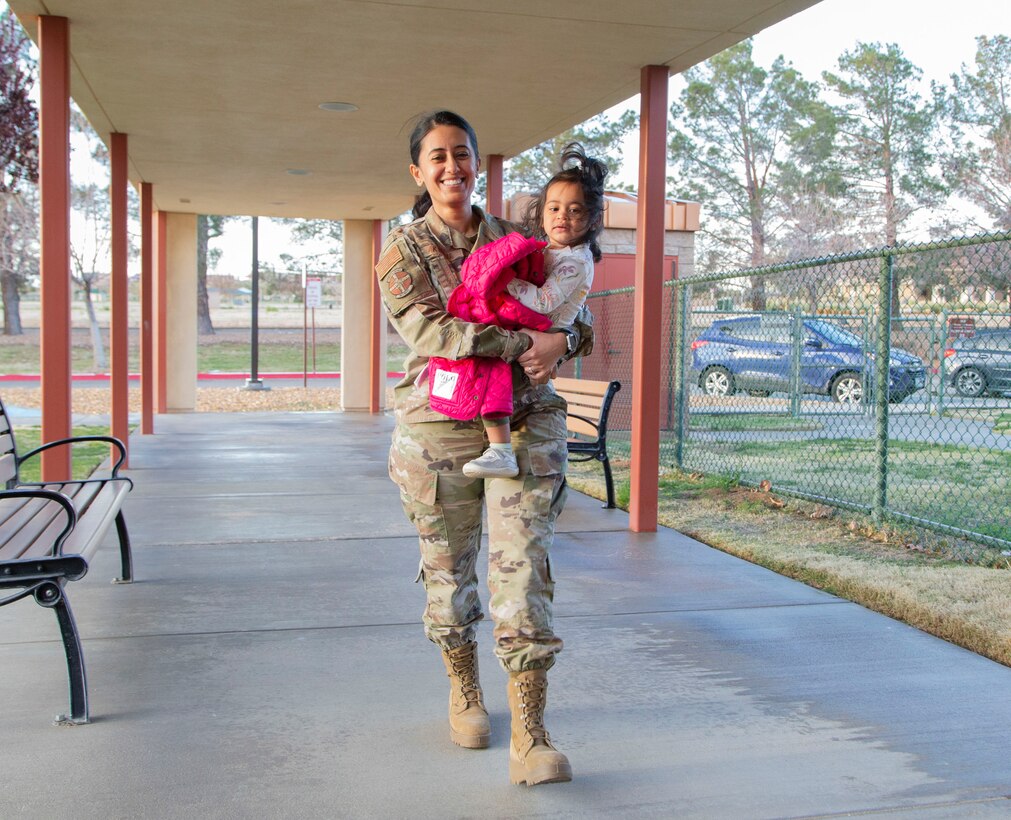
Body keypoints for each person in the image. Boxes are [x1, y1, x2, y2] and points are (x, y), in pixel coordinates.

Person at [376, 110, 592, 787]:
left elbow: (569, 310)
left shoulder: (519, 238)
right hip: (437, 432)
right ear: (418, 171)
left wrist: (566, 341)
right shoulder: (402, 251)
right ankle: (464, 688)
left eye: (461, 154)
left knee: (522, 570)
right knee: (448, 574)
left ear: (476, 164)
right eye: (436, 157)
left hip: (525, 421)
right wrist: (525, 344)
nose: (451, 167)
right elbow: (430, 332)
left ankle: (530, 731)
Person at [459, 144, 607, 479]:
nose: (562, 216)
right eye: (554, 208)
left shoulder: (574, 259)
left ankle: (500, 450)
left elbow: (543, 303)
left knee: (493, 367)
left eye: (575, 211)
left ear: (593, 219)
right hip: (535, 332)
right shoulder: (551, 250)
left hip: (540, 331)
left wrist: (502, 279)